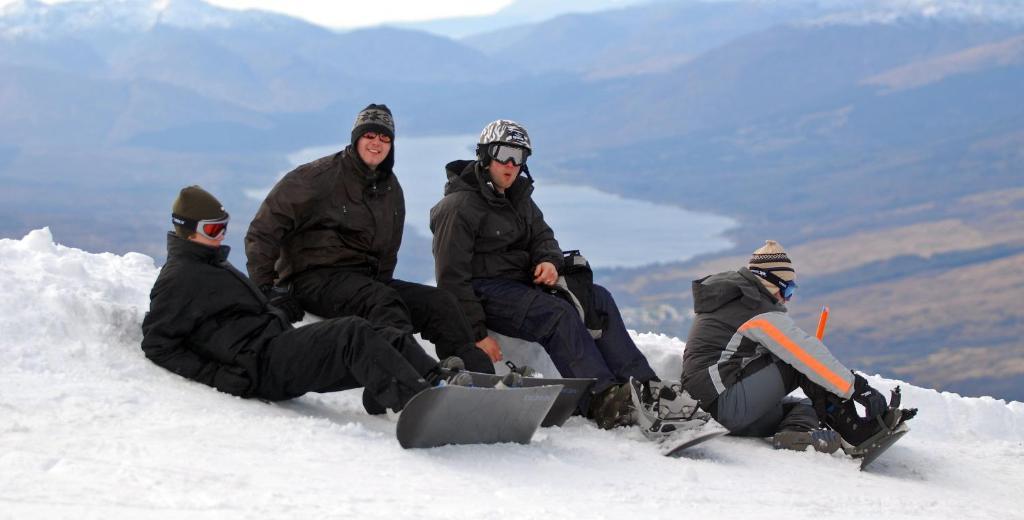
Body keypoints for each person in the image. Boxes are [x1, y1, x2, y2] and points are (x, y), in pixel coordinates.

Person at [429, 119, 658, 429]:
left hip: (520, 285)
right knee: (557, 315)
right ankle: (602, 399)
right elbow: (451, 279)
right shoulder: (458, 207)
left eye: (519, 156)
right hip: (484, 291)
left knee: (597, 298)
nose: (512, 164)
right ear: (485, 155)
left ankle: (645, 387)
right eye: (504, 154)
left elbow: (544, 238)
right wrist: (476, 334)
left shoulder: (518, 197)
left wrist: (548, 261)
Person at [142, 185, 447, 412]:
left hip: (275, 348)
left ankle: (440, 382)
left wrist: (273, 307)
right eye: (212, 229)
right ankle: (419, 405)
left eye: (223, 226)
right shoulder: (178, 278)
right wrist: (220, 376)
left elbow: (229, 316)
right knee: (352, 332)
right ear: (187, 230)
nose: (220, 234)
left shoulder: (207, 262)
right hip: (261, 366)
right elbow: (158, 344)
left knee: (385, 334)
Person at [244, 104, 493, 374]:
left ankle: (478, 378)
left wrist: (384, 285)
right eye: (369, 136)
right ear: (356, 138)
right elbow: (263, 230)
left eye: (384, 138)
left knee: (439, 303)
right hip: (312, 279)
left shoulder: (390, 188)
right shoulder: (316, 177)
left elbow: (387, 252)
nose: (377, 143)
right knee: (383, 302)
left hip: (364, 283)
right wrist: (266, 289)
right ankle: (416, 379)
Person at [681, 240, 912, 453]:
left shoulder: (739, 300)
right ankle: (857, 435)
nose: (788, 298)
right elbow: (804, 353)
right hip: (721, 402)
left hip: (716, 407)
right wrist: (858, 388)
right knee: (798, 363)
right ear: (770, 282)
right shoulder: (753, 307)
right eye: (787, 289)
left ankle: (796, 434)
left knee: (805, 405)